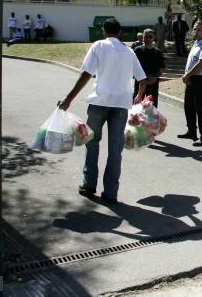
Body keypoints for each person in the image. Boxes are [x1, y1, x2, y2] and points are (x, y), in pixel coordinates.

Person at [57, 18, 147, 204]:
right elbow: (142, 79)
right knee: (115, 150)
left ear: (104, 31)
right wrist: (138, 96)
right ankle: (111, 192)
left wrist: (69, 98)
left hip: (99, 103)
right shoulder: (129, 52)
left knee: (92, 142)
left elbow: (86, 74)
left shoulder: (98, 46)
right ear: (120, 32)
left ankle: (89, 184)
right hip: (121, 106)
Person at [177, 21, 202, 146]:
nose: (195, 31)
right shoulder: (196, 44)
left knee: (200, 108)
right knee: (189, 106)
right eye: (194, 29)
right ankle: (192, 131)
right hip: (192, 78)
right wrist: (187, 76)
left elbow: (201, 63)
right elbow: (192, 62)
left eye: (198, 29)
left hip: (200, 79)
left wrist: (187, 75)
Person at [134, 29, 165, 108]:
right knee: (137, 109)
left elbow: (162, 68)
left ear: (153, 37)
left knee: (152, 109)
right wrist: (144, 78)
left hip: (153, 84)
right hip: (140, 84)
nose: (148, 39)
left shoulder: (158, 52)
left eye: (150, 37)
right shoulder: (137, 50)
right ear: (143, 37)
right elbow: (133, 66)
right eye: (146, 36)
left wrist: (155, 78)